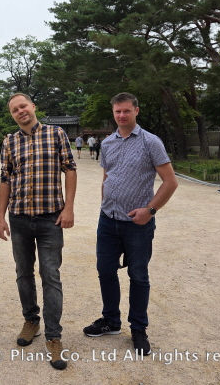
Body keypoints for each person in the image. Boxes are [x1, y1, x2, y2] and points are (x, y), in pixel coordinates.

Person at [83, 92, 178, 356]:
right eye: (117, 111)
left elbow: (170, 181)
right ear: (113, 113)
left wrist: (150, 210)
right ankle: (111, 320)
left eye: (126, 110)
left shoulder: (151, 142)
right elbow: (107, 177)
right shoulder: (108, 143)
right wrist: (104, 204)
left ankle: (138, 328)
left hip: (138, 222)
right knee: (105, 271)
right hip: (108, 219)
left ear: (136, 111)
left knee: (138, 275)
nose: (122, 115)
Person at [0, 92, 77, 371]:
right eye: (15, 110)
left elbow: (69, 169)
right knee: (23, 272)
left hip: (50, 218)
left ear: (33, 107)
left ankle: (54, 336)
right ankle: (31, 320)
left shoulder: (56, 134)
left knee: (50, 275)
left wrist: (69, 208)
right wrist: (0, 217)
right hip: (19, 217)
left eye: (23, 106)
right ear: (12, 115)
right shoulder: (10, 141)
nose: (20, 111)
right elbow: (5, 179)